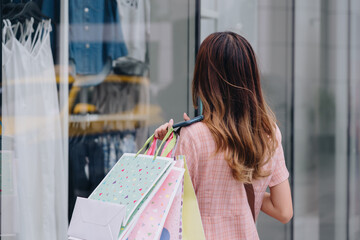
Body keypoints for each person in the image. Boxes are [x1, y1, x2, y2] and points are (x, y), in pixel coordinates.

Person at [155, 32, 293, 239]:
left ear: (204, 78)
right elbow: (283, 211)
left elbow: (170, 207)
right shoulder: (268, 132)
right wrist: (236, 197)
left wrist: (167, 146)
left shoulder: (193, 137)